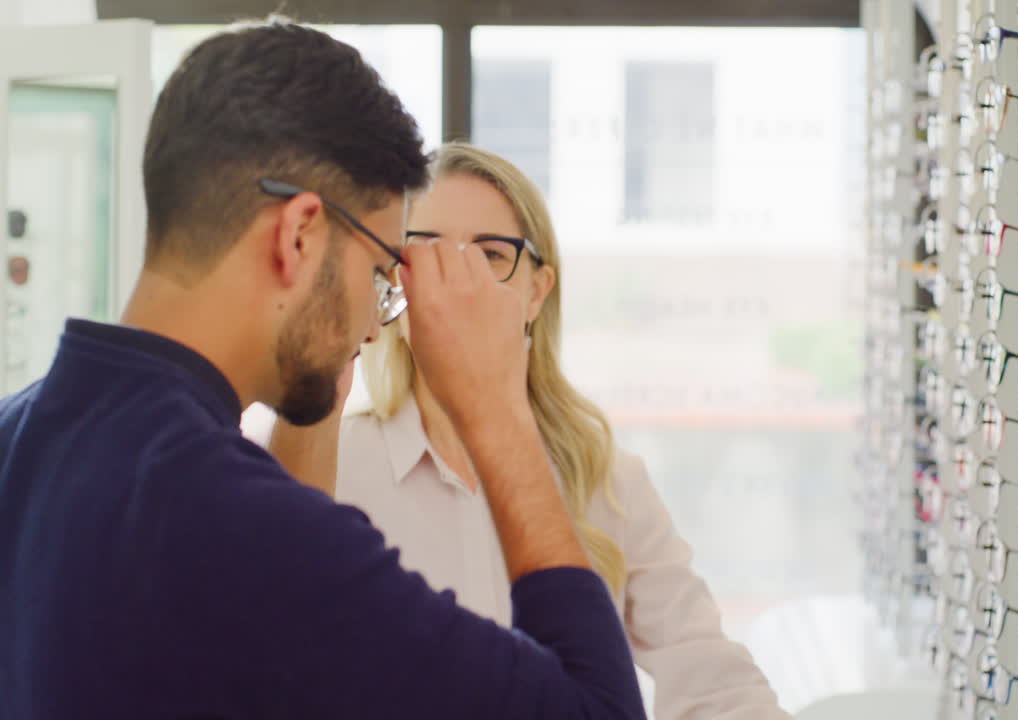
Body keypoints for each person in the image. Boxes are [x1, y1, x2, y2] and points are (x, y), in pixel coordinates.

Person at [0, 19, 643, 720]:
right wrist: (496, 407)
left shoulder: (22, 438)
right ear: (299, 234)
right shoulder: (244, 526)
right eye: (377, 273)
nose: (374, 325)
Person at [270, 143, 791, 719]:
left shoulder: (606, 476)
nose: (458, 283)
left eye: (491, 256)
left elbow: (715, 684)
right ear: (396, 282)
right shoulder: (332, 464)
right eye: (429, 253)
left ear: (536, 292)